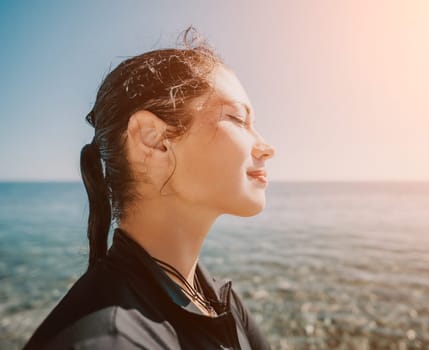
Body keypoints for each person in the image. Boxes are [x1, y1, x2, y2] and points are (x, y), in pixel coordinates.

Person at [23, 26, 275, 350]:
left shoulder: (218, 300)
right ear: (153, 139)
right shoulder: (107, 340)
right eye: (238, 119)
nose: (267, 147)